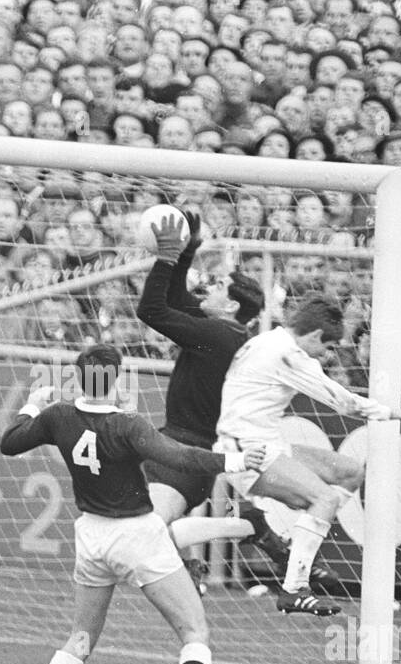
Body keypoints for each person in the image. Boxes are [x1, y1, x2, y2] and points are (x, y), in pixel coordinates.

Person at [0, 344, 266, 664]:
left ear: (78, 378)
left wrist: (32, 404)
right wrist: (233, 458)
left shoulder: (58, 417)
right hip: (137, 536)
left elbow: (9, 443)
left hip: (91, 538)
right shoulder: (129, 426)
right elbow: (180, 456)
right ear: (118, 379)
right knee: (194, 630)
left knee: (80, 639)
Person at [137, 212, 339, 613]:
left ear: (230, 304)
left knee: (144, 535)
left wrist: (166, 256)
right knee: (136, 530)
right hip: (177, 445)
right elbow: (174, 301)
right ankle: (231, 539)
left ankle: (233, 536)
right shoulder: (225, 331)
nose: (205, 288)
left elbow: (152, 311)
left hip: (188, 451)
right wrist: (188, 248)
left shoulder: (215, 334)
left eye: (216, 285)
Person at [215, 296, 401, 609]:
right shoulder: (287, 354)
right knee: (325, 499)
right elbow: (342, 402)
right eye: (328, 347)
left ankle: (293, 547)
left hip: (264, 443)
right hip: (247, 450)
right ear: (314, 336)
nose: (327, 355)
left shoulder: (268, 341)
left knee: (350, 472)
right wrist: (386, 412)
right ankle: (293, 588)